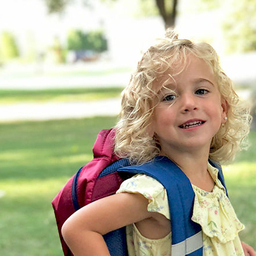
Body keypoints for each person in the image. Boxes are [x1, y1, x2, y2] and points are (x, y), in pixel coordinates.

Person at [61, 30, 255, 256]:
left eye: (201, 91)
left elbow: (202, 232)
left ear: (223, 109)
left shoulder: (210, 173)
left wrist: (231, 246)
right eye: (169, 97)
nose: (189, 103)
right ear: (147, 119)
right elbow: (78, 228)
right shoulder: (153, 191)